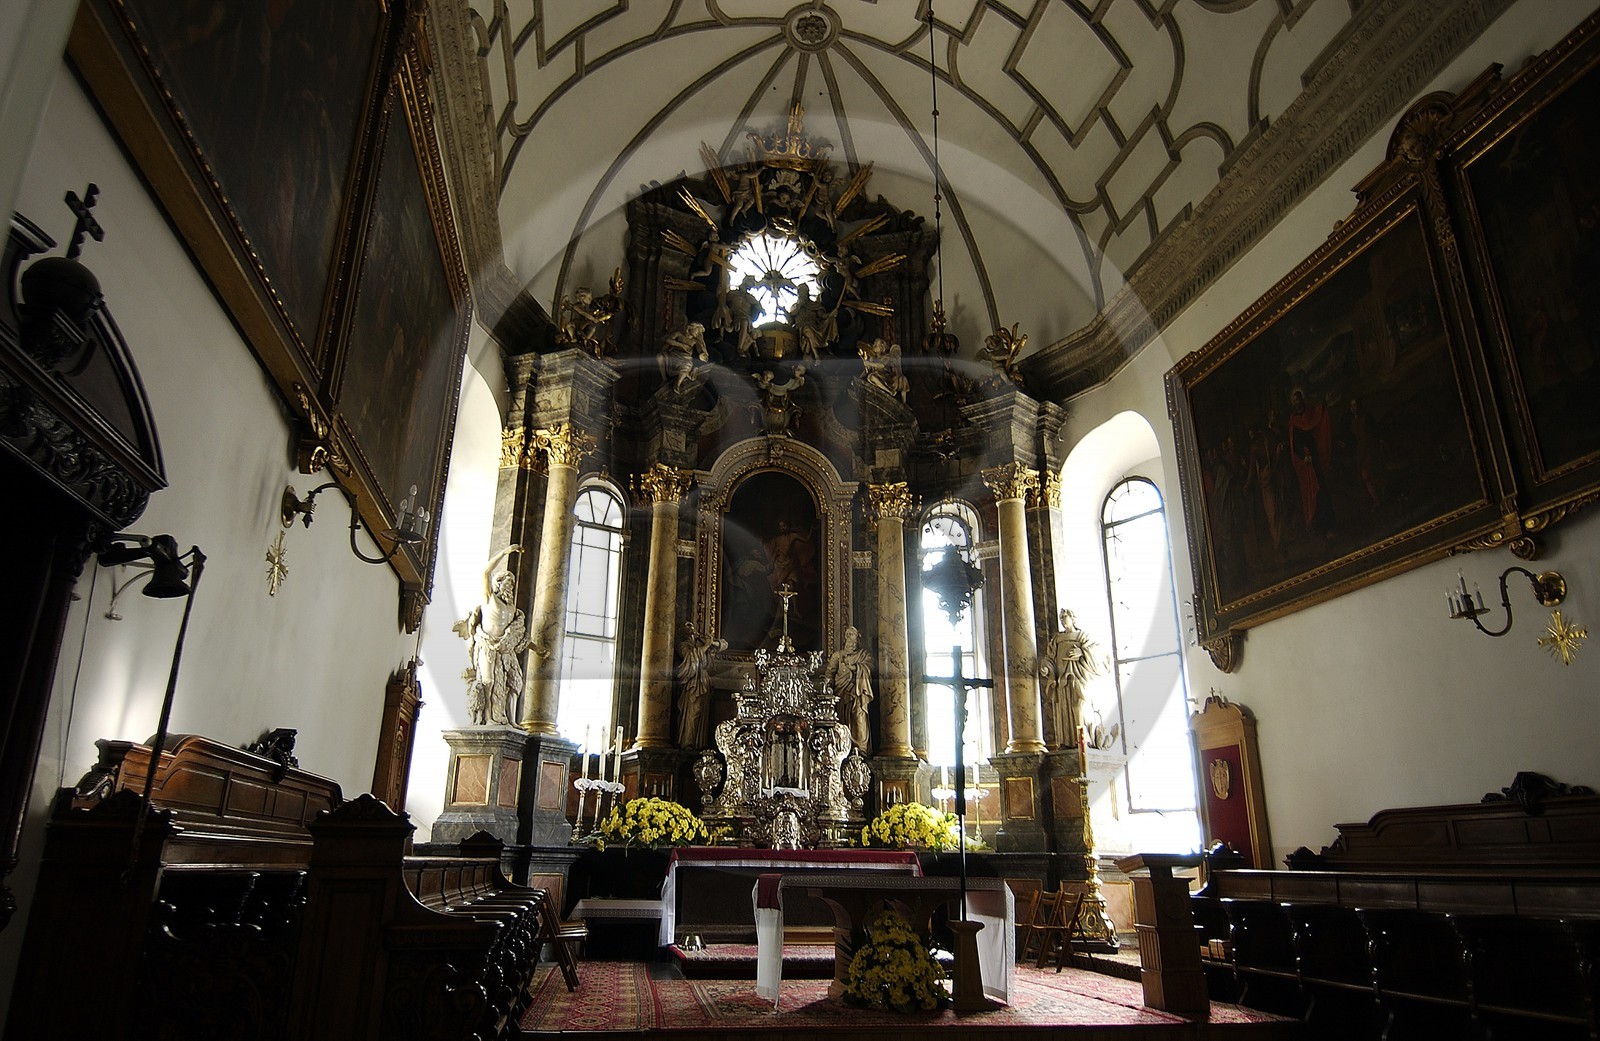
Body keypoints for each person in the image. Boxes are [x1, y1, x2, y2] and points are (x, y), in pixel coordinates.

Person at [451, 544, 529, 726]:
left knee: (514, 683)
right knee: (488, 681)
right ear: (498, 584)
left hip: (504, 649)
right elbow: (485, 573)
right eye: (507, 583)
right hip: (486, 644)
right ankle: (488, 718)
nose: (510, 586)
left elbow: (519, 635)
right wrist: (504, 552)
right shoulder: (489, 598)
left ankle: (510, 719)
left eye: (512, 584)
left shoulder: (512, 609)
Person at [1038, 608, 1102, 750]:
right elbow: (1050, 658)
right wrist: (1047, 668)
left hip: (1078, 678)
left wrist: (1082, 652)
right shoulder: (1057, 639)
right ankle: (1068, 742)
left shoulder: (1082, 636)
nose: (1062, 621)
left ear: (1073, 618)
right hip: (1062, 681)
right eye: (1061, 618)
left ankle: (1086, 740)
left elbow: (1097, 651)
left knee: (1079, 706)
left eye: (1064, 617)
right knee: (1064, 710)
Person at [675, 622, 728, 748]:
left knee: (703, 713)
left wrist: (711, 643)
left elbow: (724, 645)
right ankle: (688, 743)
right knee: (694, 711)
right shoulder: (683, 645)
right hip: (693, 681)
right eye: (687, 625)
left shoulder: (700, 642)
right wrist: (706, 646)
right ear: (682, 631)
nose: (692, 627)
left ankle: (699, 743)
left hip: (703, 679)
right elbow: (690, 656)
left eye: (692, 625)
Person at [826, 625, 874, 751]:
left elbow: (870, 667)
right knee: (841, 720)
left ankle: (861, 749)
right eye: (851, 641)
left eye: (855, 642)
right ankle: (842, 748)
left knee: (859, 718)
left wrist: (856, 668)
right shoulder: (837, 656)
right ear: (846, 640)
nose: (853, 644)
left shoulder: (863, 655)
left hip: (857, 692)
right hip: (840, 692)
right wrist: (828, 686)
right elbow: (830, 673)